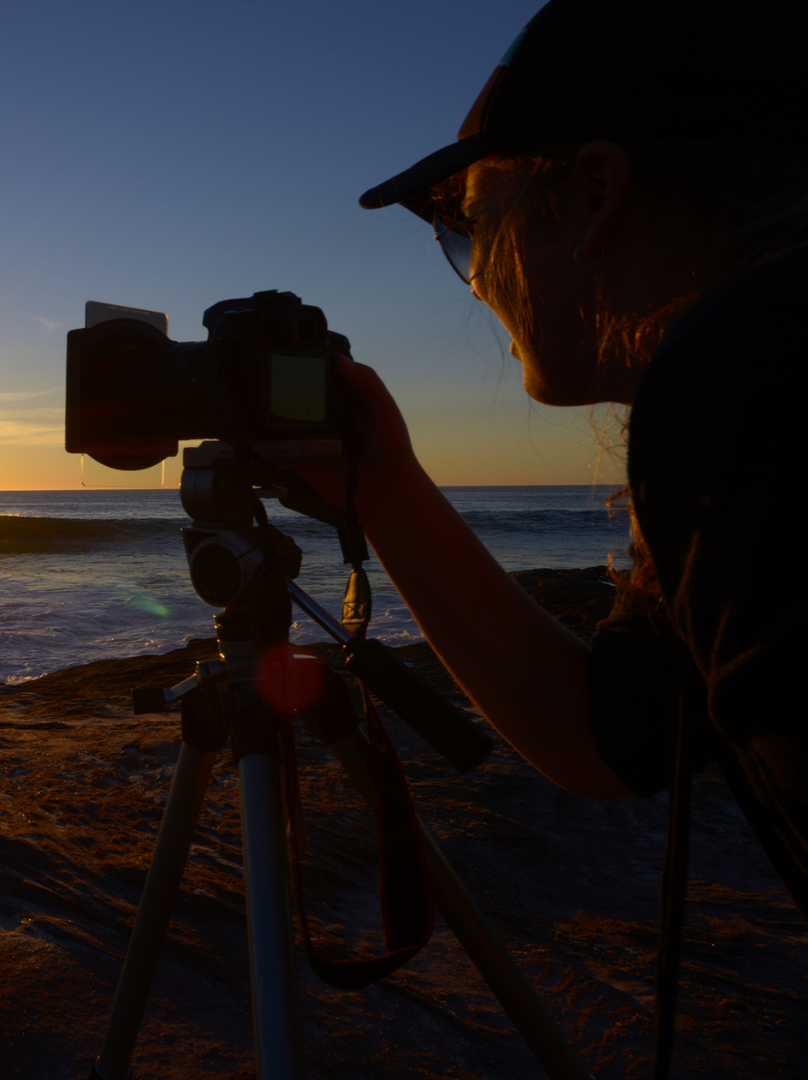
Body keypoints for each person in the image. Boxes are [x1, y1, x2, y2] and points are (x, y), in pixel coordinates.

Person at [327, 0, 805, 1060]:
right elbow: (608, 736)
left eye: (468, 225)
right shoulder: (751, 375)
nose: (475, 278)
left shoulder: (749, 378)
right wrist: (384, 486)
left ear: (593, 194)